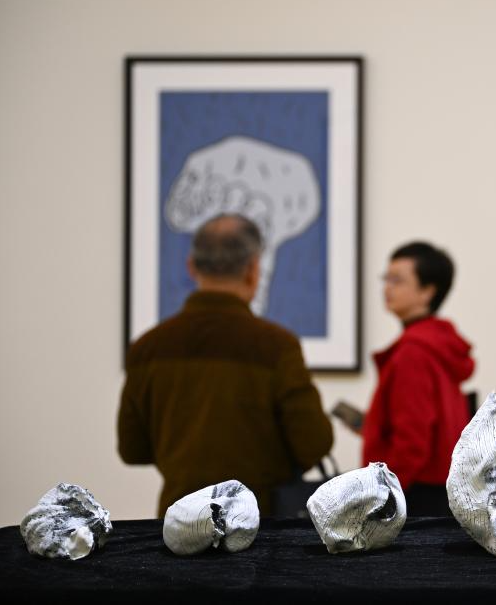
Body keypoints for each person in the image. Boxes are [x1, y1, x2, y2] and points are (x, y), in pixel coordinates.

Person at [117, 213, 334, 517]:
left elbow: (132, 450)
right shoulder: (276, 346)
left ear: (191, 266)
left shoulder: (148, 348)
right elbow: (314, 444)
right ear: (253, 269)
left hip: (178, 521)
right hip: (260, 523)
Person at [362, 241, 475, 516]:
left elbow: (412, 442)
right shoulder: (438, 344)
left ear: (427, 291)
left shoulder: (413, 352)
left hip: (413, 496)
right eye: (386, 278)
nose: (387, 288)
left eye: (397, 280)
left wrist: (379, 500)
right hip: (441, 493)